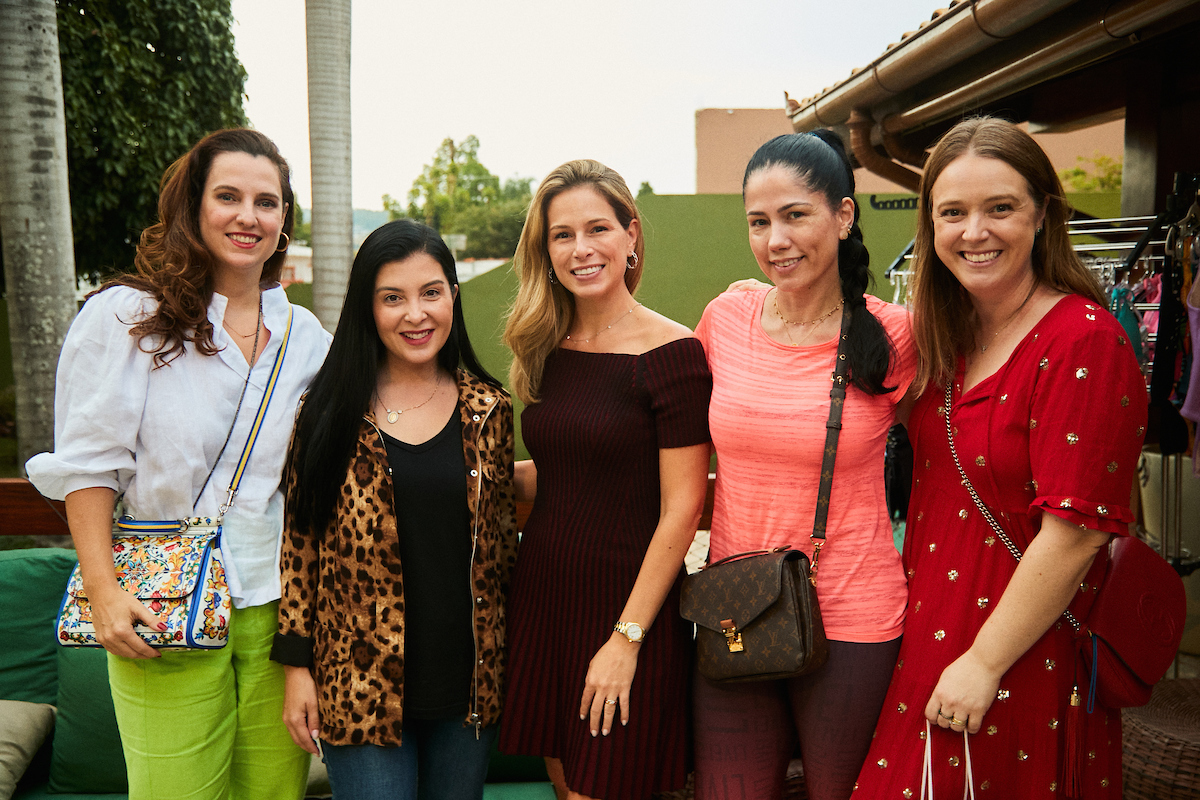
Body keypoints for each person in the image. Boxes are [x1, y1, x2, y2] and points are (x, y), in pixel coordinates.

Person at [25, 128, 331, 800]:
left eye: (267, 202)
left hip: (279, 609)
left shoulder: (304, 336)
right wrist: (104, 593)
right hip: (161, 602)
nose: (249, 216)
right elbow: (88, 466)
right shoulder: (127, 316)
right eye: (228, 196)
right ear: (192, 209)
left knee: (274, 794)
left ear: (284, 222)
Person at [854, 117, 1147, 798]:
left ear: (1043, 215)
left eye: (1001, 208)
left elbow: (1074, 537)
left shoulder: (1085, 342)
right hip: (927, 637)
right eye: (952, 212)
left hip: (1021, 656)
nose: (974, 231)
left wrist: (984, 663)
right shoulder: (941, 338)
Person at [691, 131, 917, 800]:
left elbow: (955, 454)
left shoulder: (895, 333)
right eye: (758, 222)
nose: (775, 240)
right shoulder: (726, 317)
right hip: (734, 608)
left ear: (843, 217)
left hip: (854, 613)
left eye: (795, 215)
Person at [270, 219, 517, 800]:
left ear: (453, 296)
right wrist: (296, 668)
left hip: (469, 686)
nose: (415, 314)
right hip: (359, 685)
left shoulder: (489, 410)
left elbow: (501, 548)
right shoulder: (327, 410)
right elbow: (300, 544)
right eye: (392, 298)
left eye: (431, 292)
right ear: (366, 308)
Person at [498, 159, 712, 800]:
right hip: (543, 603)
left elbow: (683, 505)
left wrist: (627, 639)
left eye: (597, 228)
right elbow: (569, 472)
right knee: (567, 790)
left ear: (631, 235)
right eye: (562, 235)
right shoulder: (544, 346)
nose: (580, 249)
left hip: (625, 611)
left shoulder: (673, 355)